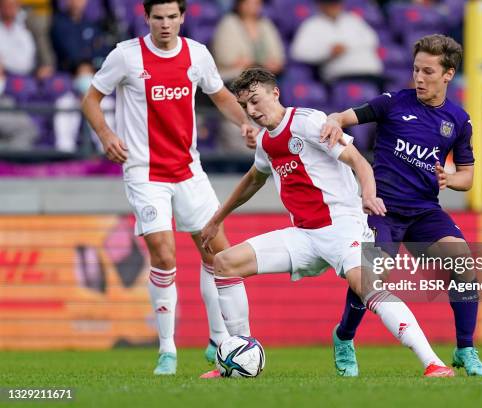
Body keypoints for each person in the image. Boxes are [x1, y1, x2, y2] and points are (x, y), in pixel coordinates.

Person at [198, 67, 455, 379]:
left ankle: (433, 362)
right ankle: (240, 354)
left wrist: (368, 195)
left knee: (369, 287)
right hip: (304, 235)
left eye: (255, 100)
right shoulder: (266, 143)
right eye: (245, 106)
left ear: (275, 93)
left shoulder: (308, 122)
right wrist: (216, 220)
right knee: (225, 263)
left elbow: (358, 161)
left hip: (343, 226)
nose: (252, 110)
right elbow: (254, 179)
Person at [81, 0, 258, 376]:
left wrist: (246, 122)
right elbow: (91, 100)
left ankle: (218, 338)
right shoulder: (126, 56)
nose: (165, 24)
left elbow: (221, 95)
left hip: (188, 170)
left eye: (171, 17)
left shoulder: (197, 53)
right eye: (157, 17)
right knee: (163, 254)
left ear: (182, 17)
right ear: (146, 18)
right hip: (144, 172)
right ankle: (167, 350)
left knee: (217, 252)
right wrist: (106, 134)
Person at [321, 34, 482, 377]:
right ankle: (344, 337)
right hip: (382, 209)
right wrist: (333, 121)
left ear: (448, 74)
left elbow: (468, 178)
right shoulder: (393, 103)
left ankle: (465, 349)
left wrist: (448, 178)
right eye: (416, 70)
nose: (419, 78)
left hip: (425, 211)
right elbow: (344, 115)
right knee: (370, 277)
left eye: (428, 71)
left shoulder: (458, 120)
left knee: (464, 261)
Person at [211, 0, 285, 153]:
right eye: (249, 2)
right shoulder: (229, 23)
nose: (253, 6)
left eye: (257, 3)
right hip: (234, 79)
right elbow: (227, 58)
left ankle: (269, 142)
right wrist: (256, 64)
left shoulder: (265, 24)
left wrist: (252, 63)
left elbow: (278, 59)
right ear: (239, 5)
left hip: (263, 80)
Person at [290, 0, 383, 87]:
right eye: (330, 3)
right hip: (341, 77)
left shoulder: (353, 19)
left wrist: (347, 46)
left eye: (336, 3)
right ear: (321, 5)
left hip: (371, 74)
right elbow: (298, 52)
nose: (334, 6)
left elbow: (372, 39)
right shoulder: (311, 24)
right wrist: (328, 51)